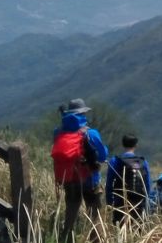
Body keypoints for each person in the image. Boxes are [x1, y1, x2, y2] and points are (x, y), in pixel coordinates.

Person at [51, 98, 108, 243]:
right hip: (90, 178)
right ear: (83, 113)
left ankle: (66, 239)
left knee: (70, 211)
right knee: (94, 213)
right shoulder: (91, 133)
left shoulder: (58, 132)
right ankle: (95, 240)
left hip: (69, 178)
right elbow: (102, 155)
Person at [106, 134, 151, 225]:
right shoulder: (143, 162)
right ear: (136, 145)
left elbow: (109, 183)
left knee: (120, 228)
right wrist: (146, 203)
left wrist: (110, 201)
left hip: (120, 200)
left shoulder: (115, 160)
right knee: (137, 228)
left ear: (123, 144)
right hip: (138, 201)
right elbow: (147, 184)